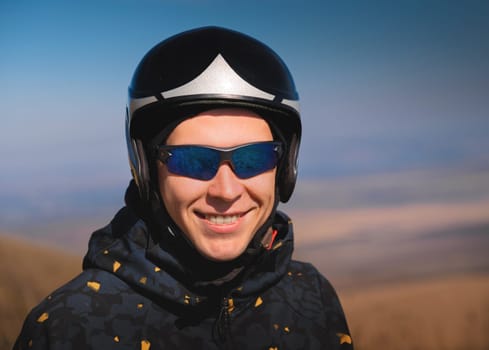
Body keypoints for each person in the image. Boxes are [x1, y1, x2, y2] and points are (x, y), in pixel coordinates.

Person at [14, 26, 353, 349]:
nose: (226, 190)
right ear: (147, 170)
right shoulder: (68, 329)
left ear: (285, 167)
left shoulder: (312, 297)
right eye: (193, 161)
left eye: (254, 158)